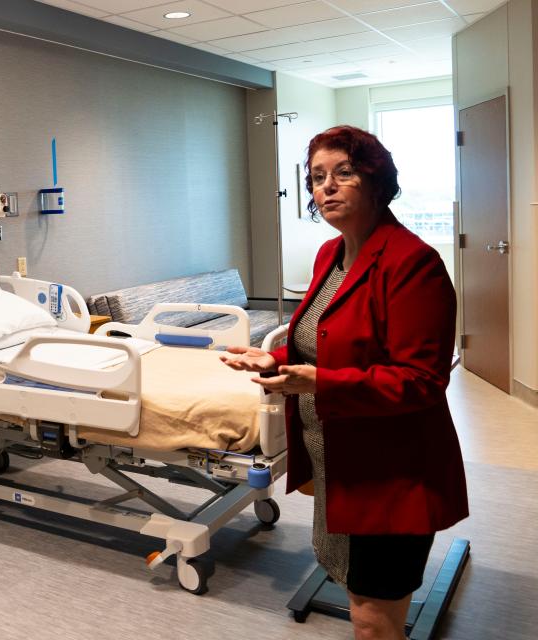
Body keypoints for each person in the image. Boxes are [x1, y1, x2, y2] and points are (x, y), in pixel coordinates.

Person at [221, 126, 468, 640]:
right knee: (359, 591)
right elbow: (325, 339)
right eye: (316, 177)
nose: (326, 187)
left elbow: (421, 381)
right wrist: (275, 360)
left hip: (391, 473)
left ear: (375, 180)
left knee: (372, 619)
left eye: (343, 173)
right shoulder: (329, 255)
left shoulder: (411, 263)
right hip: (339, 462)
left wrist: (319, 382)